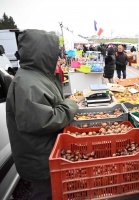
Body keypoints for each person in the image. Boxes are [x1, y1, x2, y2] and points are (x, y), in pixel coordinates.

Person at [6, 29, 78, 200]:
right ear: (43, 55)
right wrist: (71, 104)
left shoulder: (39, 76)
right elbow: (44, 120)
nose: (59, 59)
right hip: (40, 159)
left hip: (45, 153)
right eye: (55, 54)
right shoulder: (26, 83)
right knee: (46, 194)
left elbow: (50, 103)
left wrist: (65, 100)